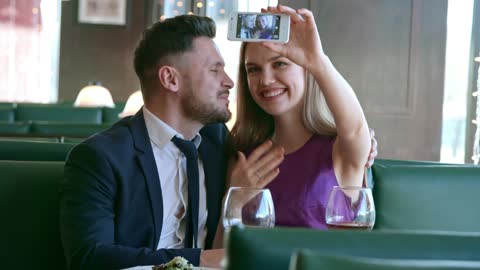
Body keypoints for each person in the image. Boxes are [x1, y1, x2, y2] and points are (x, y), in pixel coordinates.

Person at [60, 15, 263, 270]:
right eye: (215, 70)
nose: (229, 81)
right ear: (170, 79)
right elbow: (89, 257)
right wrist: (198, 259)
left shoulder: (217, 141)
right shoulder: (100, 157)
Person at [228, 5, 373, 229]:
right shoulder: (243, 155)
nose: (265, 80)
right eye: (254, 70)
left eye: (279, 64)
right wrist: (234, 201)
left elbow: (355, 129)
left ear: (306, 69)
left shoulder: (339, 149)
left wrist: (317, 60)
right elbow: (219, 252)